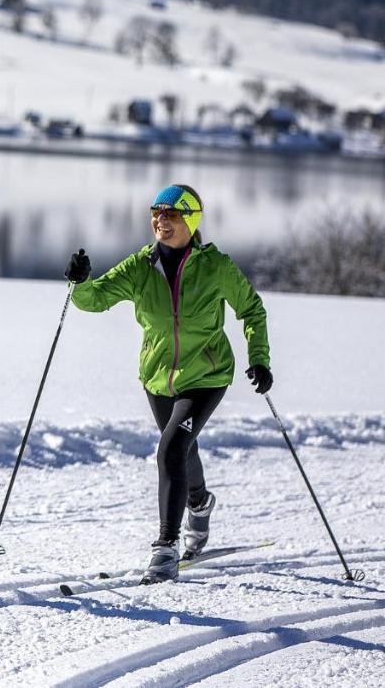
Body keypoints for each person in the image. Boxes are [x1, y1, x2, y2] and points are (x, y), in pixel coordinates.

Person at [64, 184, 272, 584]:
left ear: (191, 220)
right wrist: (81, 281)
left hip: (207, 376)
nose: (162, 221)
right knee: (181, 447)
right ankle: (199, 502)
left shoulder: (216, 267)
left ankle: (165, 549)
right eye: (156, 213)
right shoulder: (140, 266)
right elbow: (95, 299)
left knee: (172, 448)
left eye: (172, 215)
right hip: (158, 378)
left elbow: (251, 310)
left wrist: (259, 359)